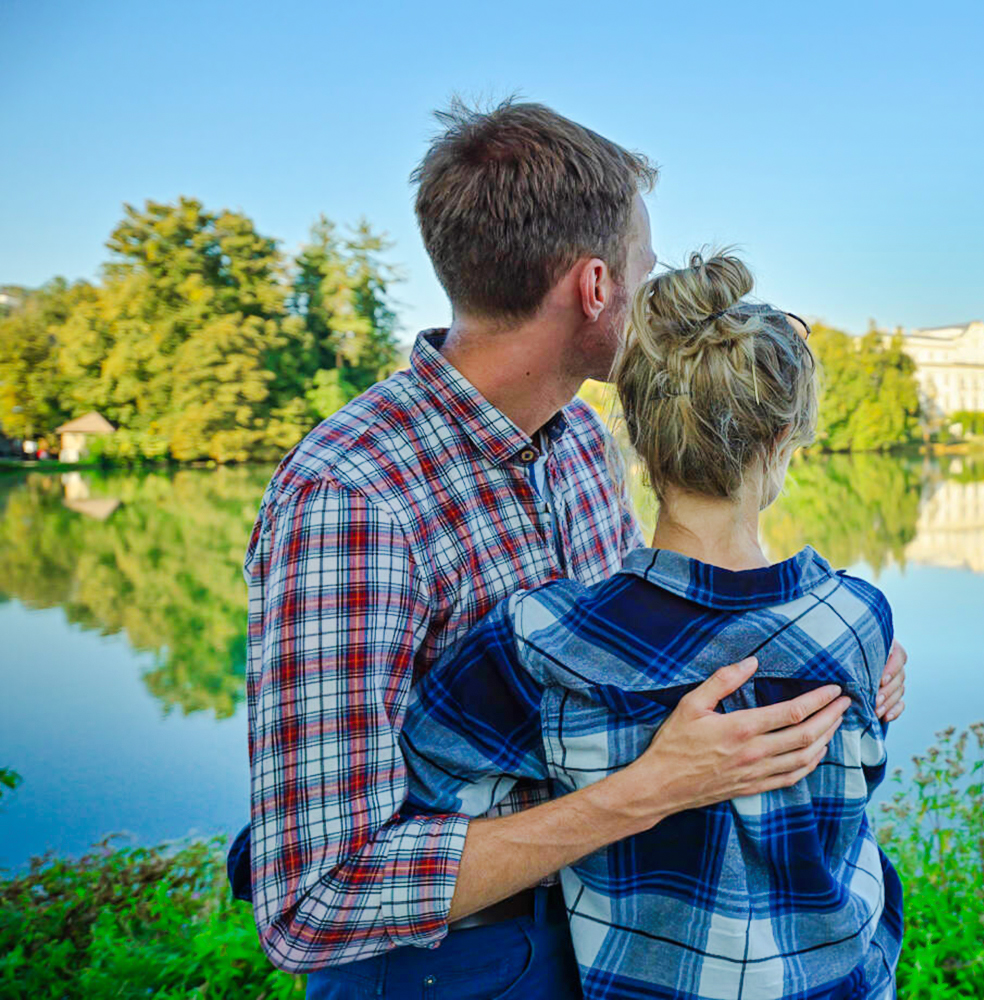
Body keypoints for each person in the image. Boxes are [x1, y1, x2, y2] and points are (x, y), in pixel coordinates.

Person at [242, 100, 908, 998]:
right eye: (646, 266)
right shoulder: (352, 496)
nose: (660, 291)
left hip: (609, 933)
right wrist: (645, 793)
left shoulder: (583, 442)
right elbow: (312, 901)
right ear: (597, 288)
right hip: (452, 969)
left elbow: (653, 646)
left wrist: (826, 660)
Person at [402, 252, 902, 1000]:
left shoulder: (540, 636)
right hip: (839, 981)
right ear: (786, 439)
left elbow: (431, 786)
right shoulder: (854, 618)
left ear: (635, 432)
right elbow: (859, 780)